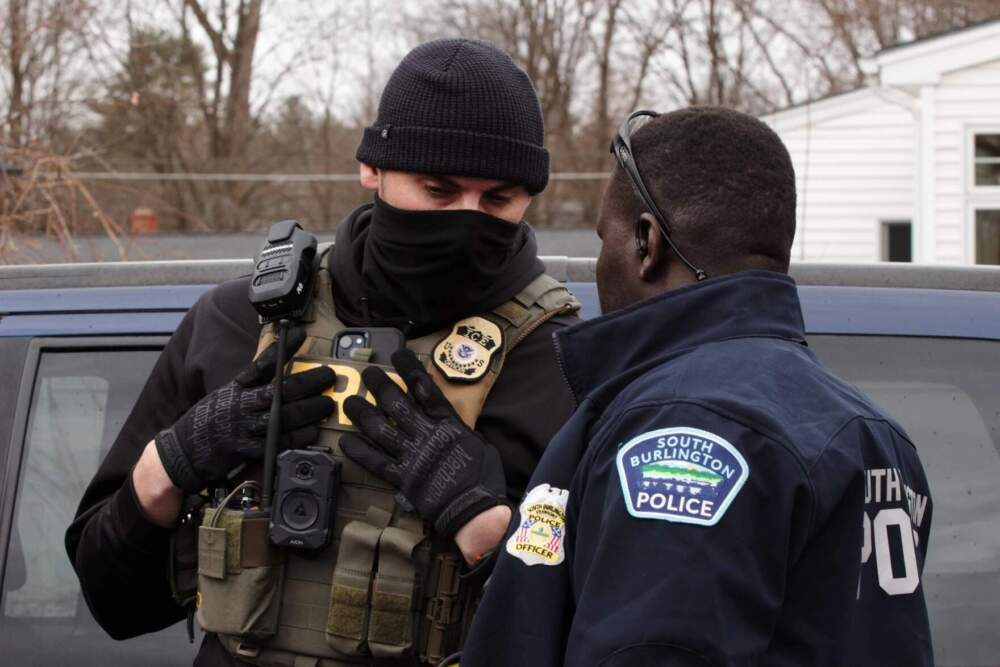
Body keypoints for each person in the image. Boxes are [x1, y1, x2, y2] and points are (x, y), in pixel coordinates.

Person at [343, 107, 934, 666]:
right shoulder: (871, 431)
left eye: (606, 240)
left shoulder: (685, 430)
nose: (602, 266)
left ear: (646, 242)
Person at [65, 38, 580, 666]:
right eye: (439, 190)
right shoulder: (234, 325)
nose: (468, 219)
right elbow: (115, 605)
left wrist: (486, 529)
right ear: (372, 169)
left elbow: (597, 631)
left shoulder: (563, 363)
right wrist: (173, 462)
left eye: (499, 200)